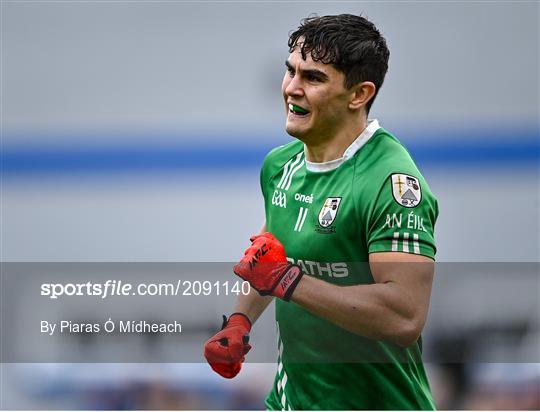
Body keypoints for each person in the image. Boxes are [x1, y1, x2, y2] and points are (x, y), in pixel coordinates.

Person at [204, 13, 438, 410]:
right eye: (290, 71)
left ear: (359, 94)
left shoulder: (392, 183)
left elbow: (403, 317)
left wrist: (289, 281)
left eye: (313, 78)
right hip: (291, 401)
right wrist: (240, 320)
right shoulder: (280, 166)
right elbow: (270, 255)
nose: (292, 89)